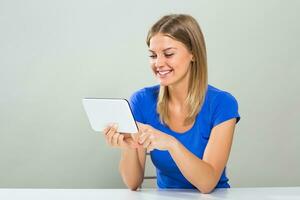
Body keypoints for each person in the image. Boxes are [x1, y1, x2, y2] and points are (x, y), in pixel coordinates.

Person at [103, 14, 240, 194]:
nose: (158, 63)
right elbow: (133, 183)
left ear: (193, 54)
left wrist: (171, 143)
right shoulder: (141, 101)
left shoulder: (222, 104)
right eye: (153, 55)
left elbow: (207, 183)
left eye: (168, 54)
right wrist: (128, 146)